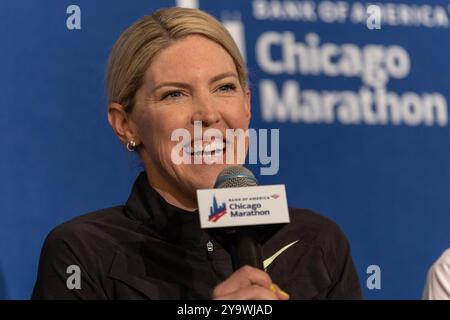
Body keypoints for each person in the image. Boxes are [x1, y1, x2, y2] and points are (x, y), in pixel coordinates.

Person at [31, 7, 362, 300]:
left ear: (247, 105)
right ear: (125, 125)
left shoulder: (316, 243)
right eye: (174, 94)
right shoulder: (83, 253)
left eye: (224, 88)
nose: (207, 113)